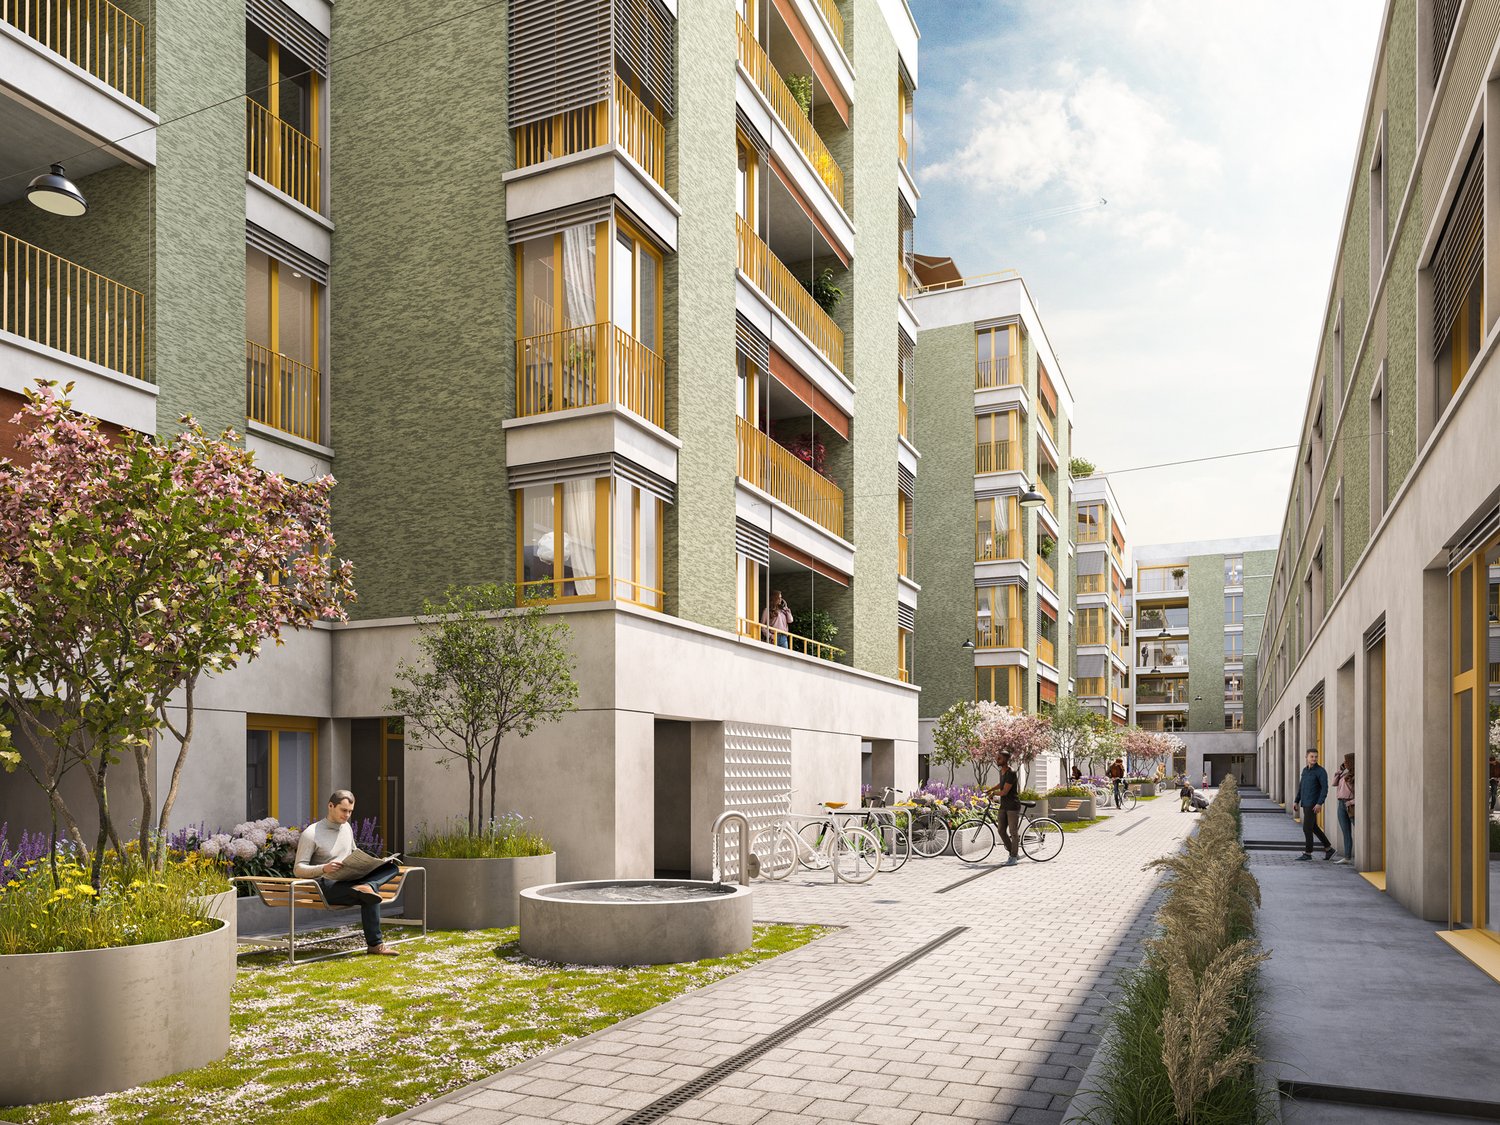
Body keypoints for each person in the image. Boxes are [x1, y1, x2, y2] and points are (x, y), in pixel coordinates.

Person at [294, 789, 403, 955]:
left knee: (391, 867)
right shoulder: (311, 833)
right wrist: (324, 868)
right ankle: (375, 945)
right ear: (331, 806)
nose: (347, 815)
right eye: (343, 810)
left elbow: (353, 852)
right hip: (325, 886)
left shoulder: (346, 828)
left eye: (350, 811)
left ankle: (367, 885)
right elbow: (298, 869)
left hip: (349, 880)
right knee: (370, 895)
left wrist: (371, 864)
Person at [1293, 749, 1335, 861]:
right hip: (1305, 803)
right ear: (1306, 757)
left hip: (1313, 804)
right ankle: (1328, 848)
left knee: (1307, 828)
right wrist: (1296, 800)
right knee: (1314, 827)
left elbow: (1324, 789)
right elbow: (1301, 786)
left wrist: (1319, 803)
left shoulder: (1321, 771)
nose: (1314, 759)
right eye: (1312, 756)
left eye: (1316, 756)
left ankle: (1308, 853)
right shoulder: (1305, 771)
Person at [986, 751, 1022, 865]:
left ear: (1006, 760)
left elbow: (1005, 791)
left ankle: (1013, 857)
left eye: (999, 759)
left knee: (1013, 832)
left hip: (1012, 806)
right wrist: (990, 789)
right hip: (1004, 805)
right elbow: (1001, 784)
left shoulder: (1011, 772)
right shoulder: (1001, 771)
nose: (997, 760)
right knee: (1001, 830)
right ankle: (1013, 851)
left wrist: (994, 794)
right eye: (997, 758)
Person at [1333, 753, 1355, 865]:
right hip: (1341, 804)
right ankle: (1347, 857)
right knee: (1346, 832)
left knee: (1359, 831)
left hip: (1351, 806)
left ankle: (1362, 856)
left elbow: (1359, 794)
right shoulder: (1344, 774)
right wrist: (1340, 770)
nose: (1344, 763)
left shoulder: (1355, 776)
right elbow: (1334, 783)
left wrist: (1351, 802)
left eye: (1346, 761)